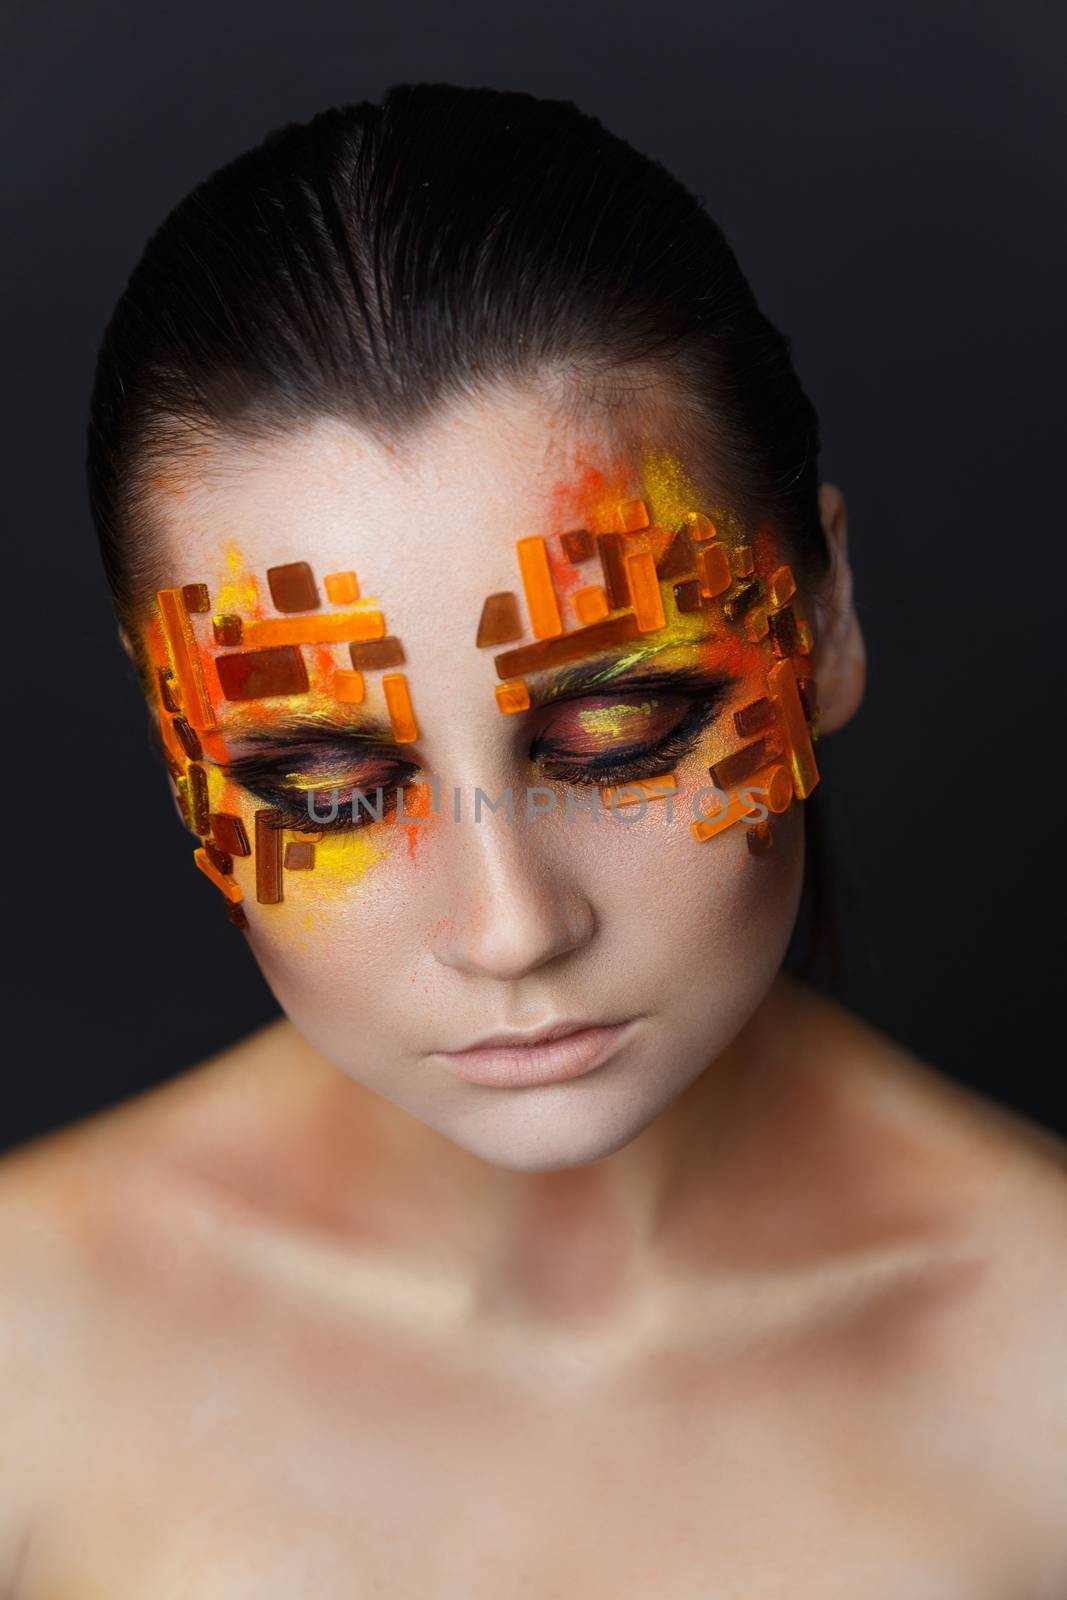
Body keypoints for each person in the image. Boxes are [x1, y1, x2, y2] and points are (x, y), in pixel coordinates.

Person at [2, 81, 1065, 1596]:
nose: (510, 927)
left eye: (625, 730)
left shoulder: (1048, 1377)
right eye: (325, 782)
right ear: (170, 729)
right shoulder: (21, 1351)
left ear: (822, 621)